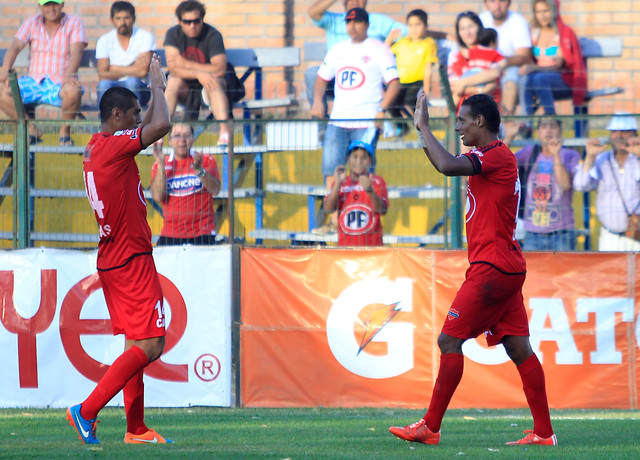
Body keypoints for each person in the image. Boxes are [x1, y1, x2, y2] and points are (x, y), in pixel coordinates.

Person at [389, 93, 557, 446]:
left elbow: (447, 166)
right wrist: (424, 135)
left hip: (492, 266)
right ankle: (544, 433)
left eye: (463, 120)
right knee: (519, 349)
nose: (458, 126)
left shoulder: (496, 155)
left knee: (448, 340)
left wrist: (423, 126)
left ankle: (430, 428)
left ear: (481, 121)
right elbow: (446, 162)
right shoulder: (488, 156)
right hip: (505, 264)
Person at [67, 55, 172, 445]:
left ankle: (136, 429)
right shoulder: (112, 147)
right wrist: (157, 85)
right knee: (151, 344)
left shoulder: (95, 148)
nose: (137, 121)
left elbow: (148, 127)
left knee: (134, 343)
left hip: (114, 256)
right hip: (130, 257)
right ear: (116, 115)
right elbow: (161, 125)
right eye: (133, 115)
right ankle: (86, 410)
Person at [310, 7, 400, 234]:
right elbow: (321, 80)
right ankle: (333, 221)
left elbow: (394, 83)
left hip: (366, 122)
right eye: (348, 22)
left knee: (362, 171)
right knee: (332, 171)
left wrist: (381, 109)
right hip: (338, 120)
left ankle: (364, 221)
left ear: (367, 25)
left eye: (357, 22)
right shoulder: (338, 49)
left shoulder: (379, 49)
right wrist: (317, 102)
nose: (352, 26)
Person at [0, 0, 86, 146]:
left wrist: (70, 74)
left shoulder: (74, 22)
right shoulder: (32, 22)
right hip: (33, 82)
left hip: (60, 83)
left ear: (62, 4)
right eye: (47, 5)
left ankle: (64, 133)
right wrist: (4, 70)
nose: (51, 8)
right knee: (2, 90)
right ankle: (29, 129)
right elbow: (15, 47)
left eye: (55, 4)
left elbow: (77, 51)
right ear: (40, 6)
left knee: (73, 90)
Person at [305, 0, 407, 116]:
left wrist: (388, 42)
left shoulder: (379, 21)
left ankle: (390, 123)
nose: (355, 1)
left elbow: (413, 31)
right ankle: (321, 126)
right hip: (338, 78)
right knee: (313, 74)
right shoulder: (334, 20)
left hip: (369, 77)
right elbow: (313, 13)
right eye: (348, 22)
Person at [163, 0, 231, 145]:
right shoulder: (173, 34)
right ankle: (159, 133)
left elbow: (219, 69)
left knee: (214, 82)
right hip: (185, 89)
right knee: (173, 81)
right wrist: (199, 74)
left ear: (202, 19)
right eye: (187, 22)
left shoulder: (213, 35)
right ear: (180, 21)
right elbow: (174, 68)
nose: (192, 26)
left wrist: (186, 64)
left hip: (209, 89)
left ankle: (225, 132)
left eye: (196, 21)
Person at [573, 113, 640, 252]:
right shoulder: (601, 159)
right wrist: (590, 157)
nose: (619, 136)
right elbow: (580, 185)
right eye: (615, 132)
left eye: (625, 132)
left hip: (637, 236)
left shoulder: (637, 159)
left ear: (635, 135)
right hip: (610, 238)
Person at [514, 117, 580, 250]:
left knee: (565, 271)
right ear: (538, 131)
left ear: (560, 130)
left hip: (562, 233)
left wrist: (556, 154)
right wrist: (509, 137)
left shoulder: (570, 155)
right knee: (531, 271)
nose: (548, 130)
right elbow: (505, 162)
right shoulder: (530, 152)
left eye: (553, 126)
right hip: (533, 234)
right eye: (544, 127)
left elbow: (565, 185)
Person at [150, 123, 221, 245]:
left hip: (202, 233)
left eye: (186, 136)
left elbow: (215, 190)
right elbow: (157, 196)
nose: (182, 140)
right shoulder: (160, 164)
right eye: (177, 136)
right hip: (170, 234)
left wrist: (199, 169)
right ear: (170, 141)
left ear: (193, 139)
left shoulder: (206, 160)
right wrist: (161, 164)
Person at [520, 0, 586, 117]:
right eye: (538, 12)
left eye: (546, 11)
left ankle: (551, 119)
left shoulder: (563, 33)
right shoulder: (534, 32)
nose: (543, 16)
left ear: (554, 11)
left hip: (563, 78)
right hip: (537, 78)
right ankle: (527, 123)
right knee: (526, 80)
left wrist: (534, 67)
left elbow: (558, 66)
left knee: (538, 78)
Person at [323, 140, 388, 246]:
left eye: (364, 157)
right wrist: (338, 183)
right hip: (346, 248)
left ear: (371, 161)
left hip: (372, 249)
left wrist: (370, 191)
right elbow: (328, 209)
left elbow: (383, 211)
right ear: (348, 159)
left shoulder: (377, 181)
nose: (359, 161)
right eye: (355, 157)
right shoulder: (340, 182)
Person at [386, 9, 438, 137]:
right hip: (402, 81)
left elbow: (428, 68)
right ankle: (402, 126)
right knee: (389, 103)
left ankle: (424, 128)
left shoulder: (428, 43)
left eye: (418, 24)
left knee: (411, 103)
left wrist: (426, 90)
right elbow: (384, 52)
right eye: (410, 25)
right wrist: (389, 38)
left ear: (425, 26)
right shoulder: (402, 42)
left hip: (417, 81)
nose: (414, 29)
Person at [96, 1, 156, 107]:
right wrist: (132, 68)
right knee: (103, 85)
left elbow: (142, 72)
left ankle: (135, 121)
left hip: (140, 87)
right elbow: (102, 75)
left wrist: (112, 68)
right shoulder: (104, 40)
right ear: (112, 20)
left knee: (131, 82)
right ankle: (104, 121)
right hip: (112, 86)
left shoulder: (145, 37)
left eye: (127, 18)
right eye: (118, 18)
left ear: (133, 19)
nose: (123, 22)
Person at [479, 0, 533, 116]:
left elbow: (523, 56)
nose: (497, 6)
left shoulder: (518, 22)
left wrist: (502, 63)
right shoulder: (480, 20)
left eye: (502, 1)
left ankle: (505, 124)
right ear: (486, 3)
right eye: (492, 1)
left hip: (509, 67)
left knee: (510, 80)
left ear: (509, 3)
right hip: (481, 66)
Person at [448, 12, 504, 111]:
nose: (467, 32)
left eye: (471, 26)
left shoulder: (492, 52)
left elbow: (495, 74)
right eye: (462, 29)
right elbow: (454, 86)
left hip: (488, 111)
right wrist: (482, 90)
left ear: (480, 27)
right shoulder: (455, 56)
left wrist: (463, 83)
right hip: (463, 113)